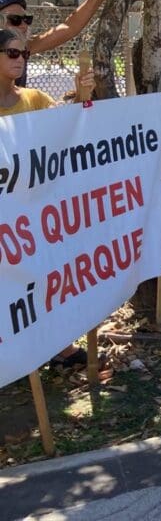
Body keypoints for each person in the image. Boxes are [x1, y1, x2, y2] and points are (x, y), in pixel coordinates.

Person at [0, 27, 95, 369]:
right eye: (12, 53)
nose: (20, 60)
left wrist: (82, 95)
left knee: (43, 277)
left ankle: (58, 346)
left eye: (24, 54)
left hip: (32, 213)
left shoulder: (36, 99)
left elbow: (67, 129)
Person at [0, 0, 112, 88]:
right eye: (15, 20)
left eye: (27, 20)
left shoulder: (25, 47)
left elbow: (70, 27)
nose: (24, 25)